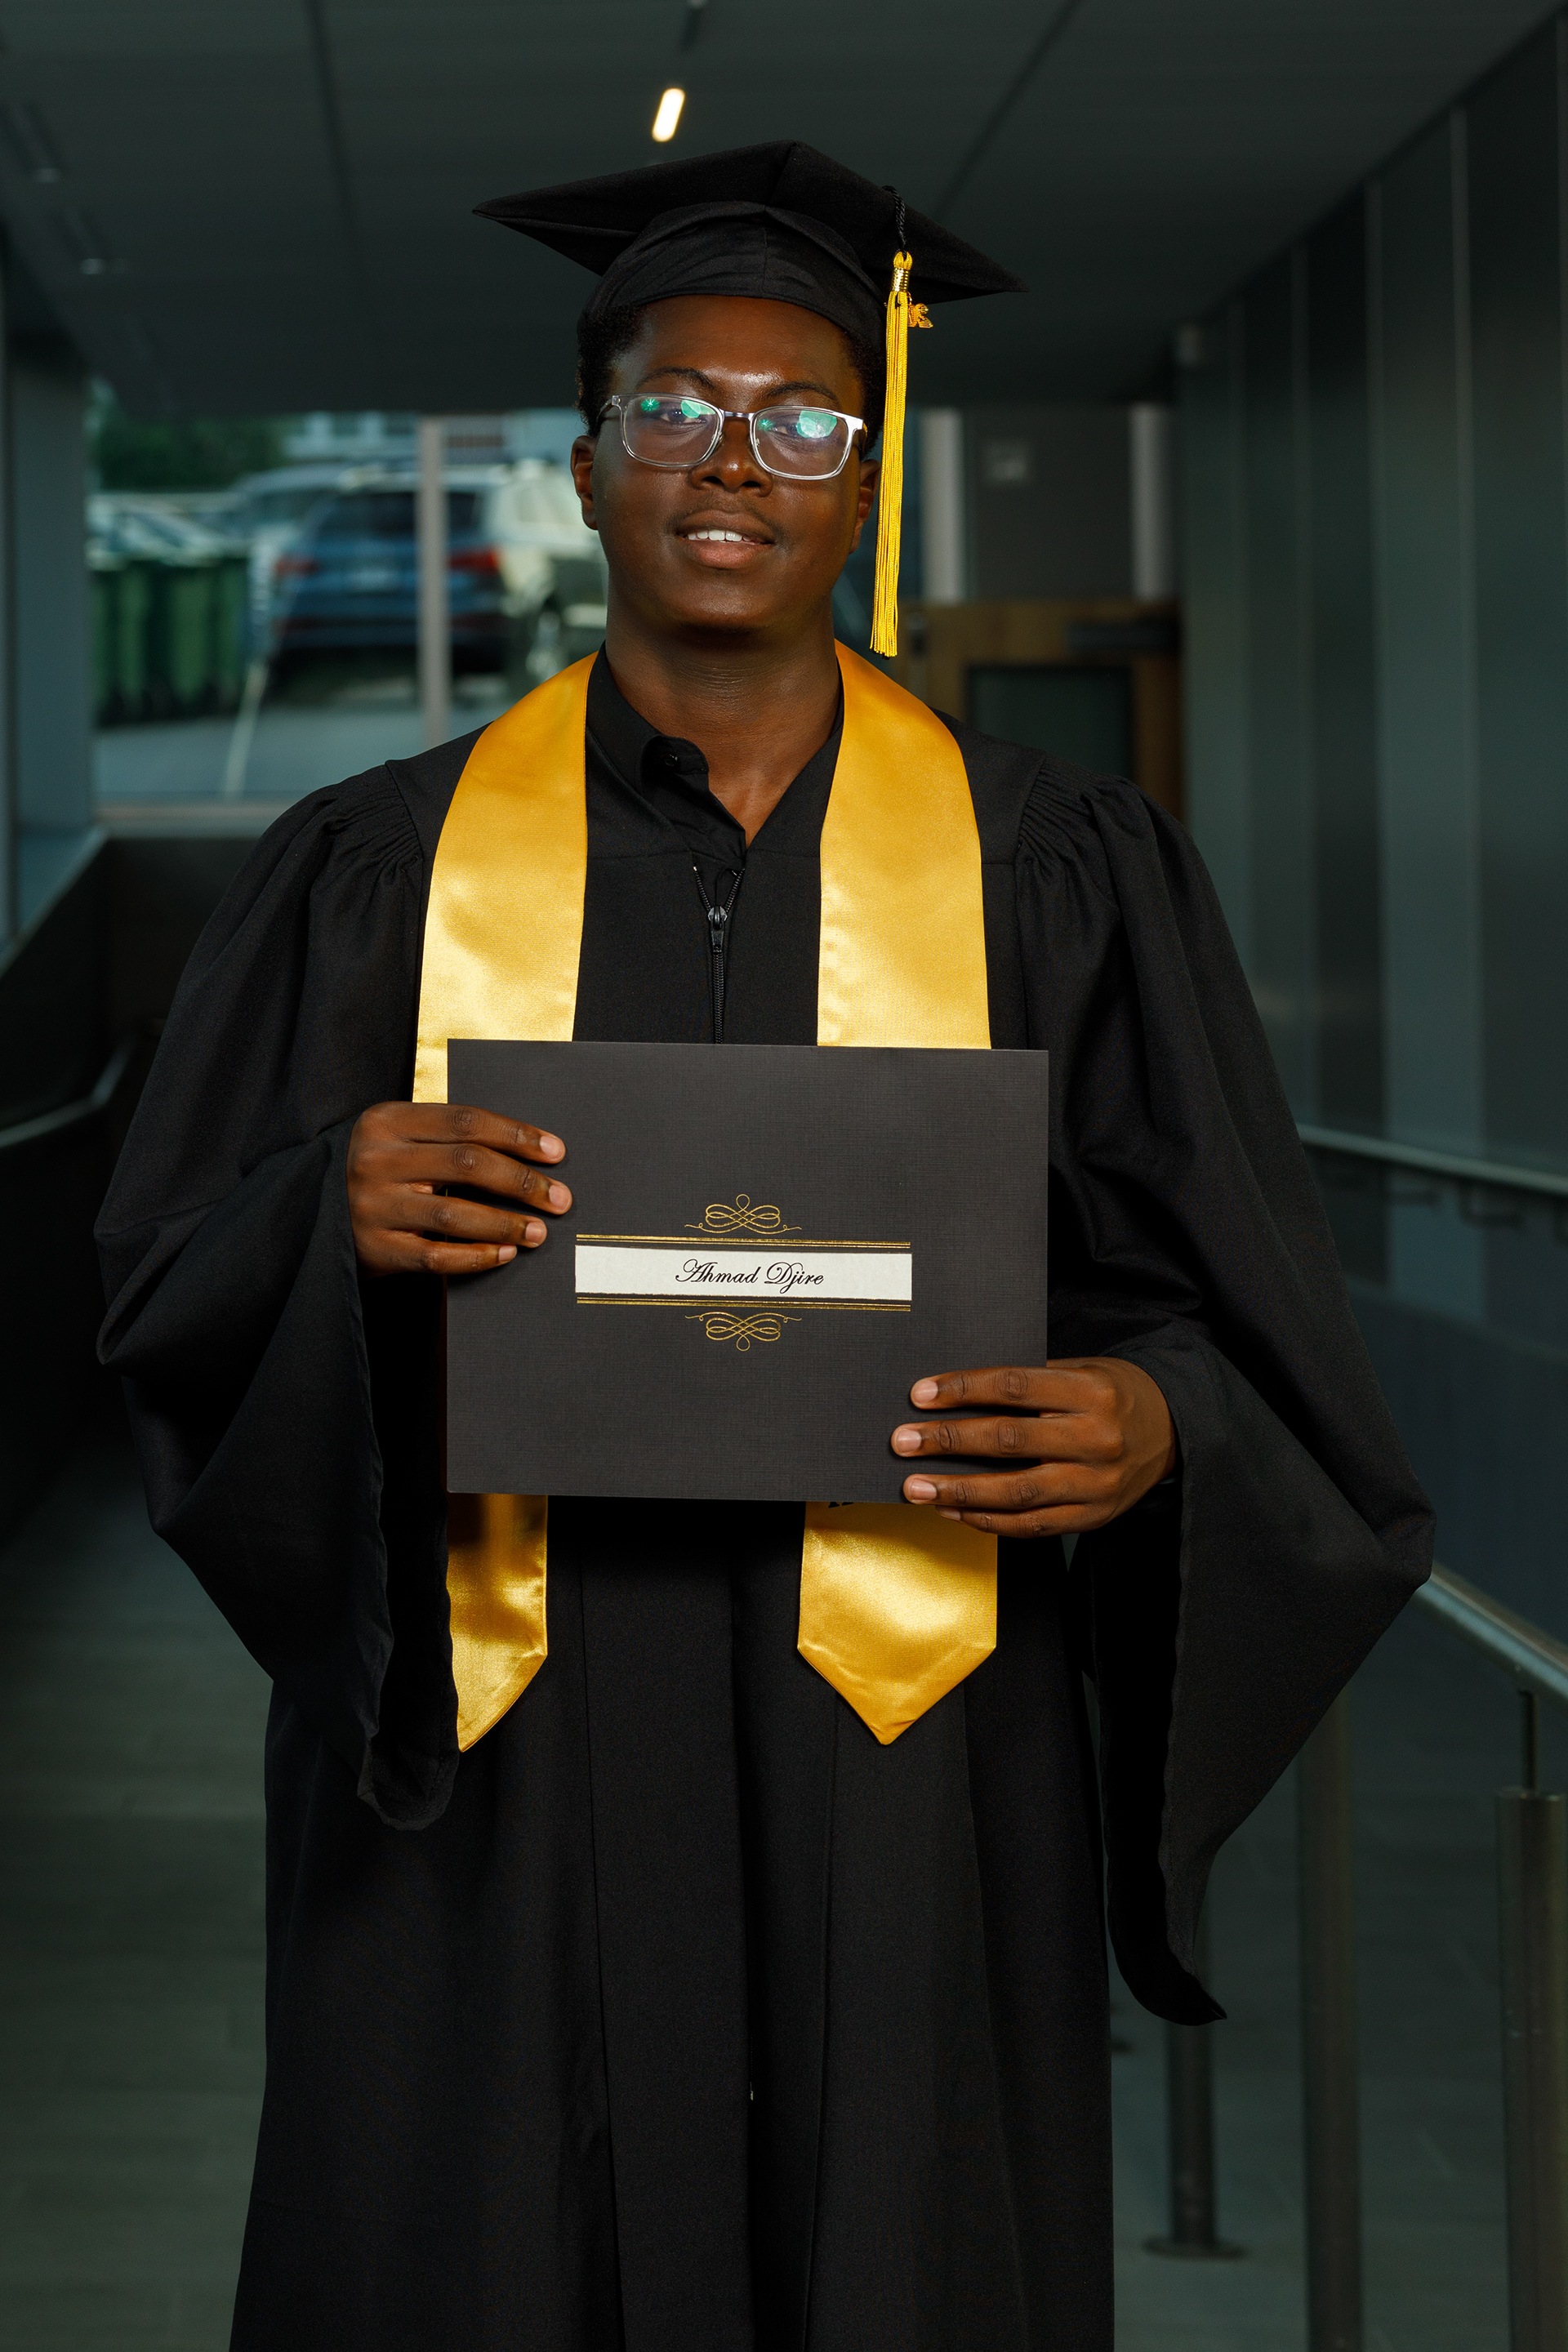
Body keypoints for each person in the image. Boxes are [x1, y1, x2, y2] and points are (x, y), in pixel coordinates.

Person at [96, 142, 1432, 2352]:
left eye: (806, 416)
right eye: (676, 409)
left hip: (903, 1757)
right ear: (584, 465)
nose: (738, 461)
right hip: (503, 1766)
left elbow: (1236, 1318)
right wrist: (322, 1218)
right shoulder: (373, 868)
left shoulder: (1064, 868)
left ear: (868, 475)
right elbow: (160, 1299)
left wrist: (1155, 1419)